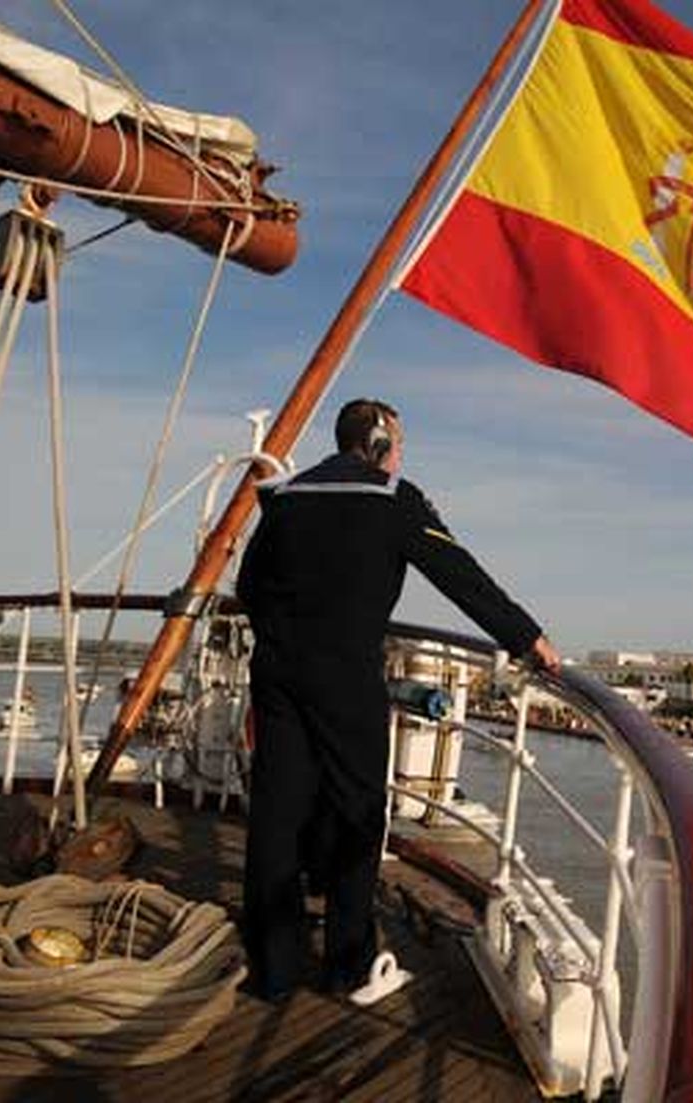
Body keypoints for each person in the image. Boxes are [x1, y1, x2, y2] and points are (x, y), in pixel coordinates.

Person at [235, 398, 560, 1002]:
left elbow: (248, 587)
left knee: (277, 814)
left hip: (277, 673)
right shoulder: (392, 498)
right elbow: (461, 576)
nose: (401, 456)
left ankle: (273, 970)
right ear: (380, 443)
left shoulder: (284, 497)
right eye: (400, 444)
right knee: (360, 811)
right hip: (345, 677)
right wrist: (525, 636)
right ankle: (350, 968)